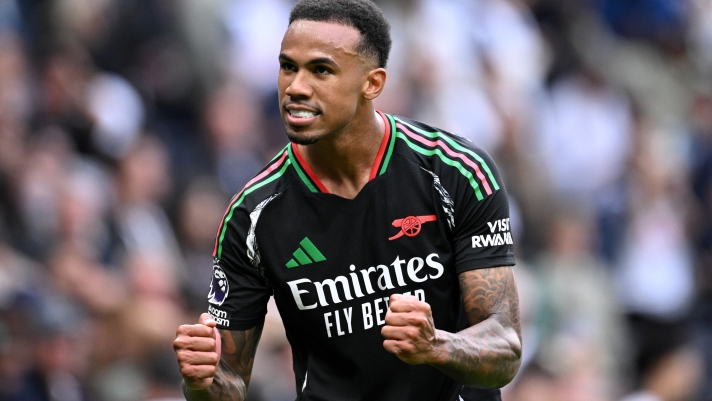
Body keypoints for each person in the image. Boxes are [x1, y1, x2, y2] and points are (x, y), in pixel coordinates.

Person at [173, 0, 522, 400]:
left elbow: (506, 349)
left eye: (321, 70)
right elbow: (229, 382)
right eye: (288, 67)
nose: (296, 87)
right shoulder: (252, 216)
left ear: (372, 83)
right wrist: (201, 382)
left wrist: (436, 345)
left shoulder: (456, 172)